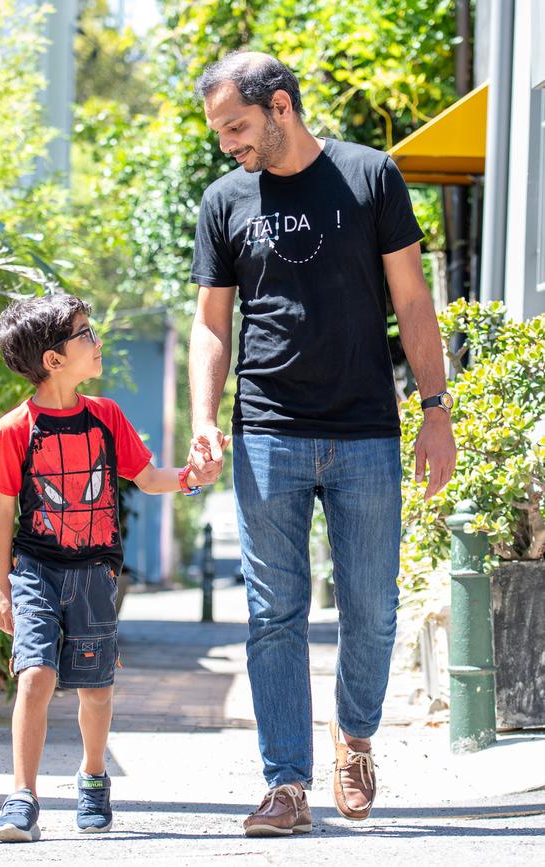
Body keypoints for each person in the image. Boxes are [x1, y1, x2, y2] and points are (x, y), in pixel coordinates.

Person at [187, 51, 456, 836]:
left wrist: (434, 410)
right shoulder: (224, 199)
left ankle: (356, 739)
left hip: (366, 428)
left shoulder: (371, 176)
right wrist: (205, 417)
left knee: (371, 609)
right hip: (268, 428)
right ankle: (285, 783)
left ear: (280, 107)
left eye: (236, 127)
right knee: (275, 613)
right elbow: (211, 323)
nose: (228, 144)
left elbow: (412, 297)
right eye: (220, 132)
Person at [0, 294, 224, 843]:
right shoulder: (16, 427)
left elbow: (148, 477)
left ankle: (92, 777)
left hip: (95, 572)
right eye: (85, 334)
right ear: (53, 360)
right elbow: (0, 510)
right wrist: (1, 587)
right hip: (36, 568)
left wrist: (192, 477)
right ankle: (22, 797)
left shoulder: (107, 416)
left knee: (96, 685)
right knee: (35, 675)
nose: (97, 341)